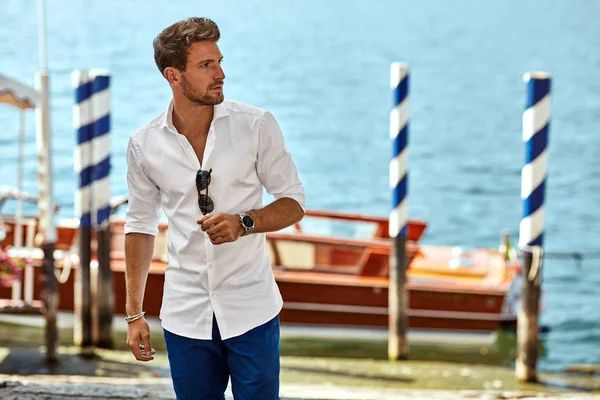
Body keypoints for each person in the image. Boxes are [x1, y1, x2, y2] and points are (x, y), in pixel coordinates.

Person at [123, 17, 306, 400]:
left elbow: (293, 204)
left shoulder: (256, 125)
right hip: (185, 314)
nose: (220, 73)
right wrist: (134, 313)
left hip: (251, 309)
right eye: (206, 65)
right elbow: (140, 225)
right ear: (174, 75)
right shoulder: (143, 144)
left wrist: (245, 221)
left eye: (219, 61)